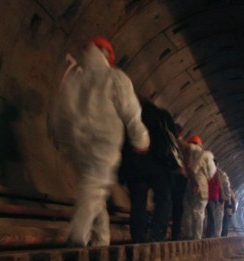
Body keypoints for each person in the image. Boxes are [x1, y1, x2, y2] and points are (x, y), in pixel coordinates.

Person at [52, 36, 150, 247]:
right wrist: (140, 139)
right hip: (105, 141)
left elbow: (60, 115)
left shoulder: (74, 80)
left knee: (95, 190)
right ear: (107, 55)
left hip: (78, 143)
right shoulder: (115, 77)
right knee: (95, 187)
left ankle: (101, 241)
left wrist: (63, 141)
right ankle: (77, 236)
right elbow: (131, 112)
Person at [119, 99, 182, 243]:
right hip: (159, 165)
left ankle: (138, 237)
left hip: (135, 166)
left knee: (138, 203)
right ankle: (156, 233)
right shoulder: (162, 115)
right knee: (164, 198)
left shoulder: (130, 116)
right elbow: (173, 139)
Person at [180, 135, 216, 240]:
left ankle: (188, 235)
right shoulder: (206, 155)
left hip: (188, 183)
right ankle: (197, 237)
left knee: (187, 210)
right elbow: (211, 172)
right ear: (200, 144)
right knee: (199, 212)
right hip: (202, 186)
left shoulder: (186, 153)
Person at [170, 124, 188, 241]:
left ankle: (175, 233)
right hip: (180, 176)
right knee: (178, 206)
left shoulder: (169, 140)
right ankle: (175, 233)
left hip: (172, 176)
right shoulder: (182, 145)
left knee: (173, 205)